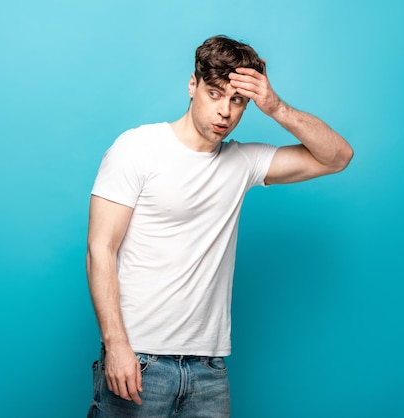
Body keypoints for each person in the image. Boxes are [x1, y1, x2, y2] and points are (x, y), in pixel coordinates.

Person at [85, 35, 353, 418]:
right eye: (215, 93)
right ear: (192, 85)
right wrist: (117, 347)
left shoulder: (242, 162)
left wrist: (275, 107)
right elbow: (100, 249)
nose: (224, 111)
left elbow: (337, 157)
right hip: (140, 359)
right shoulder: (136, 148)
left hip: (209, 368)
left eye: (237, 100)